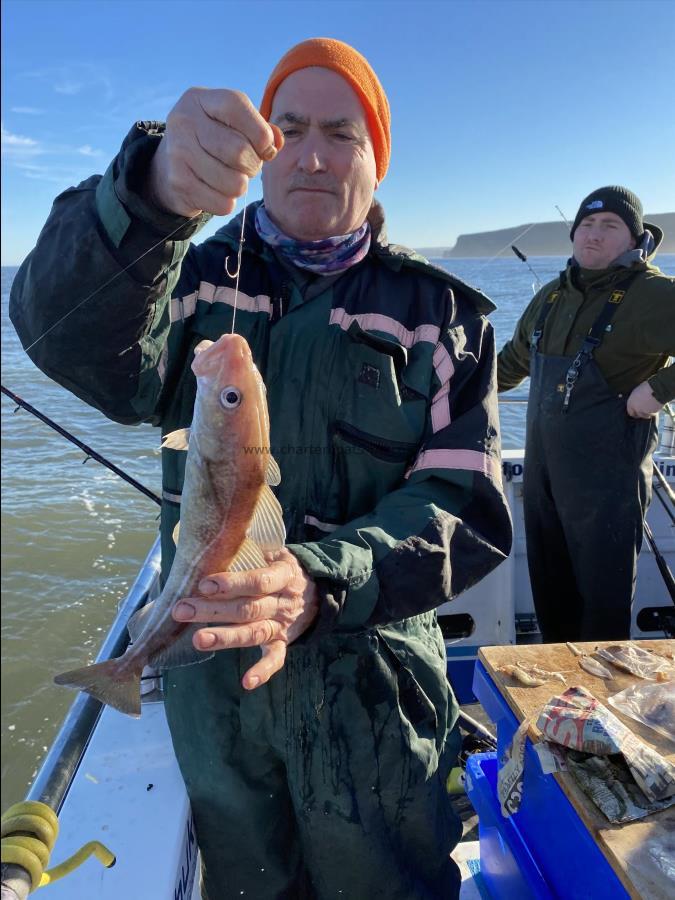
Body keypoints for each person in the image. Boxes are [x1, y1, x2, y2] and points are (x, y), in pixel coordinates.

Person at [11, 38, 512, 899]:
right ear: (262, 151)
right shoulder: (184, 277)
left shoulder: (443, 315)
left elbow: (462, 507)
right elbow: (62, 335)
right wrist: (149, 192)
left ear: (376, 160)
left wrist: (320, 582)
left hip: (380, 695)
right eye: (289, 128)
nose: (313, 154)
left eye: (342, 133)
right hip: (219, 699)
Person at [497, 186, 675, 643]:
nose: (594, 235)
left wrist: (658, 390)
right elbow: (510, 365)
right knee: (551, 599)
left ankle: (601, 705)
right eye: (586, 225)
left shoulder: (654, 294)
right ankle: (562, 705)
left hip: (608, 486)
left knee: (602, 612)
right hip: (544, 480)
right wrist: (436, 392)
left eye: (609, 226)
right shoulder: (552, 297)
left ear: (634, 238)